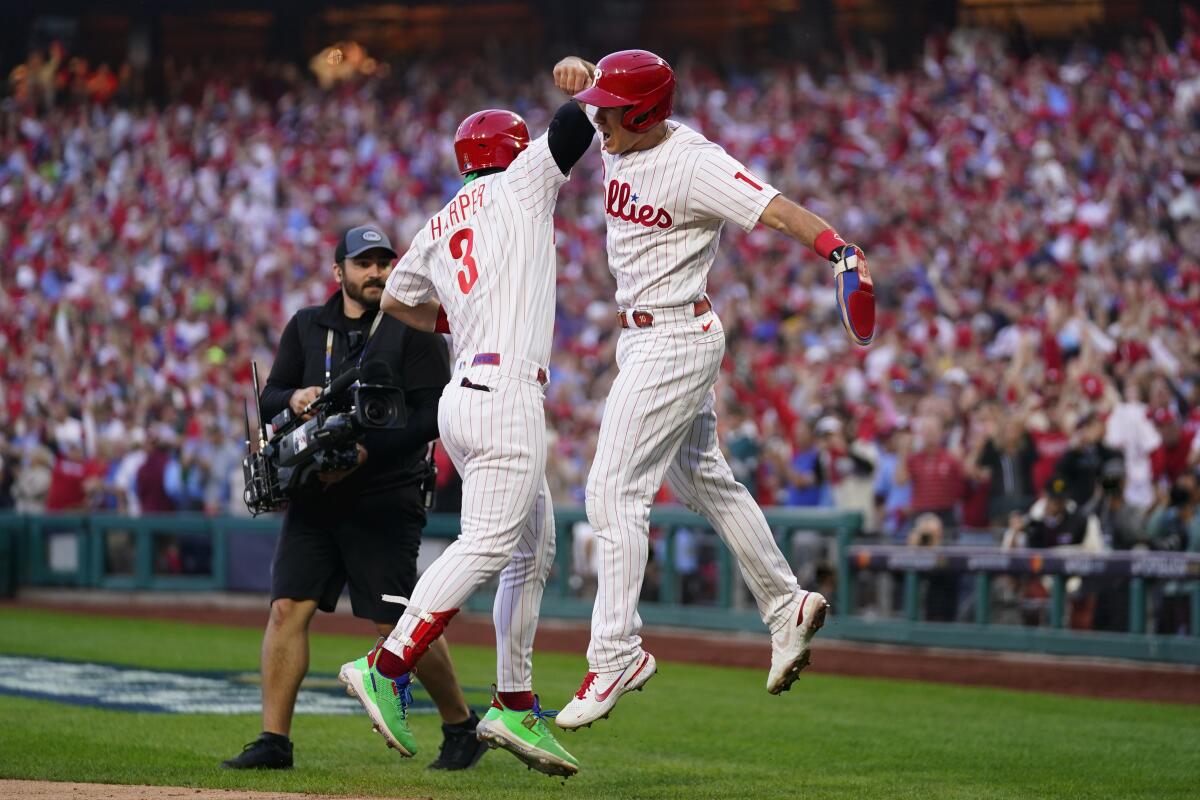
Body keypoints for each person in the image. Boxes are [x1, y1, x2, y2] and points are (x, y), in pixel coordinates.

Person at [550, 50, 875, 728]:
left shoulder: (694, 162)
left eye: (610, 110)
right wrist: (580, 72)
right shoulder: (620, 125)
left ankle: (615, 654)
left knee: (613, 492)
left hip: (673, 334)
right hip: (644, 335)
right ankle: (785, 604)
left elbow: (777, 209)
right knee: (703, 481)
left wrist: (840, 249)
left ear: (643, 112)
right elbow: (583, 85)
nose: (598, 122)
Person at [336, 105, 595, 777]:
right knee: (487, 544)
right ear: (513, 149)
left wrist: (458, 316)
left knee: (532, 551)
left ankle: (512, 700)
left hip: (469, 391)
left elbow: (394, 300)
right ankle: (385, 665)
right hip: (505, 392)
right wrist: (586, 85)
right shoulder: (522, 182)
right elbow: (574, 130)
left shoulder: (441, 219)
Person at [222, 225, 483, 772]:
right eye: (364, 263)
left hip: (385, 495)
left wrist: (367, 454)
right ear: (338, 271)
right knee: (286, 608)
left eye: (384, 262)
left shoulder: (414, 328)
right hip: (315, 495)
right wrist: (294, 397)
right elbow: (269, 399)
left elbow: (432, 415)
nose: (376, 272)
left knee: (396, 624)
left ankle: (461, 726)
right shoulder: (306, 326)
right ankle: (275, 740)